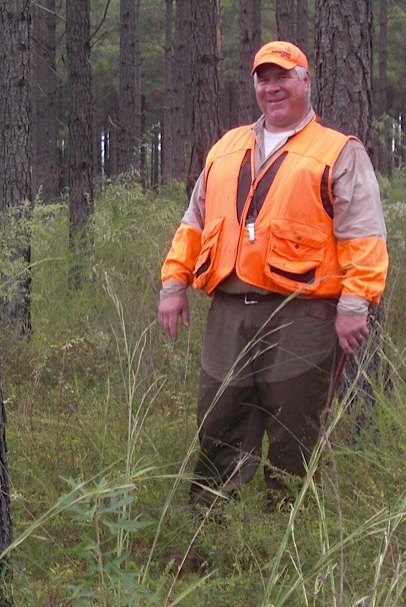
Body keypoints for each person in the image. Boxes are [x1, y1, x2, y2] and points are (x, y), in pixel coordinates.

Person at [157, 40, 388, 509]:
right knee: (219, 420)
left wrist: (354, 304)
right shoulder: (226, 148)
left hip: (301, 314)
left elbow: (364, 235)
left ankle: (286, 532)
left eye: (283, 76)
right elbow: (194, 222)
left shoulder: (337, 151)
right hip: (227, 310)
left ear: (305, 82)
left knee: (294, 430)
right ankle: (208, 526)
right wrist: (173, 283)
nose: (272, 86)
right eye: (263, 78)